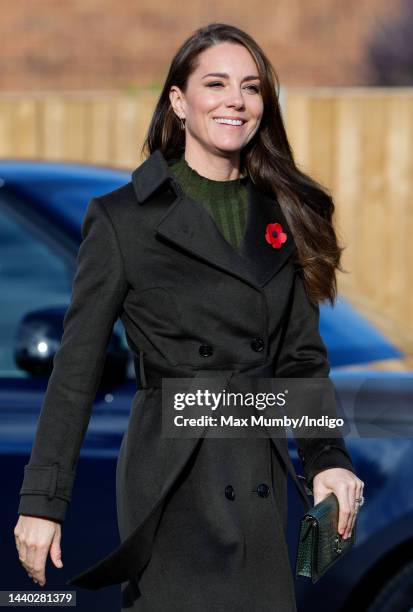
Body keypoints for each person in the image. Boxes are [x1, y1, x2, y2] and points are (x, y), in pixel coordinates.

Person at [14, 22, 364, 612]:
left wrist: (327, 457)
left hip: (255, 461)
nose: (236, 100)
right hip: (171, 471)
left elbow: (301, 357)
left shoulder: (284, 214)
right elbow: (75, 369)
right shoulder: (123, 219)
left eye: (251, 88)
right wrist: (42, 501)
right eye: (216, 83)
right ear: (179, 101)